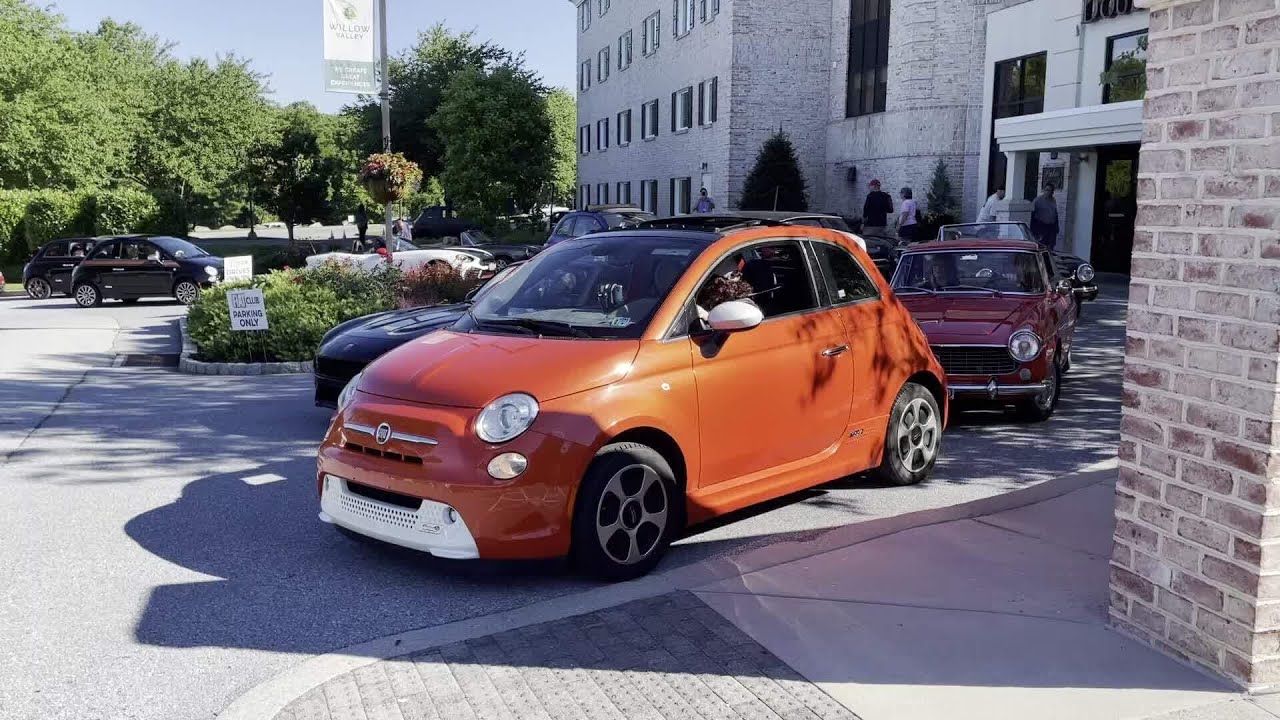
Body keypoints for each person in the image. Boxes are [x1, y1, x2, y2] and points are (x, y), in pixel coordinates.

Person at [1031, 183, 1060, 249]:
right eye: (1047, 190)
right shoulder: (1038, 201)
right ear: (1044, 190)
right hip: (1041, 227)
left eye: (1051, 191)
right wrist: (1035, 231)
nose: (1049, 192)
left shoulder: (1053, 200)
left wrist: (1056, 227)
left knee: (1051, 246)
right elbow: (1032, 215)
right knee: (1042, 246)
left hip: (1051, 227)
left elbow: (1055, 213)